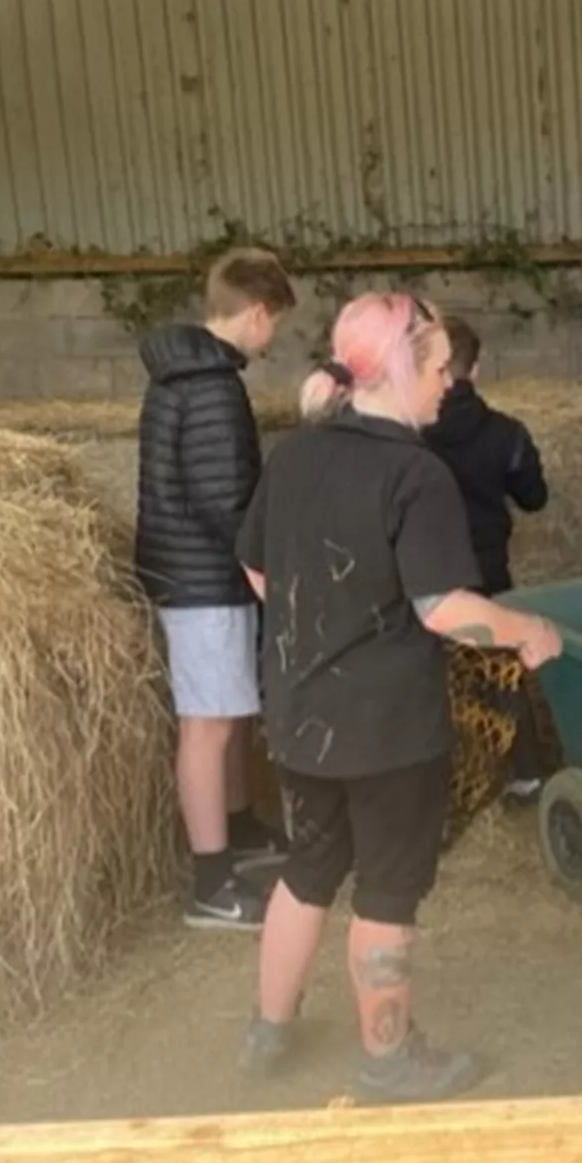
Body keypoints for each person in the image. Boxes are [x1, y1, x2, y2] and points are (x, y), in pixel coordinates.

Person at [234, 292, 563, 1102]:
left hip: (300, 714)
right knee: (386, 889)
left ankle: (269, 1027)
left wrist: (325, 621)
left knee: (308, 865)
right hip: (387, 731)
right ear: (403, 369)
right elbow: (443, 609)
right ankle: (388, 1059)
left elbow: (258, 569)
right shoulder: (417, 474)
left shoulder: (296, 455)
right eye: (441, 366)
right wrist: (524, 630)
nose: (450, 383)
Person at [134, 246, 295, 930]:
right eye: (276, 322)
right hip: (203, 576)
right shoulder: (212, 386)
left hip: (194, 569)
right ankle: (211, 883)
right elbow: (223, 496)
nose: (274, 337)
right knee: (207, 722)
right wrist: (264, 558)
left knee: (228, 711)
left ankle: (238, 827)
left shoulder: (186, 373)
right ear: (257, 313)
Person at [421, 315, 558, 800]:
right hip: (488, 568)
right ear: (475, 369)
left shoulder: (410, 435)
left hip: (428, 575)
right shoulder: (506, 433)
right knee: (502, 668)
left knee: (431, 676)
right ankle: (525, 773)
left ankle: (446, 781)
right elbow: (534, 497)